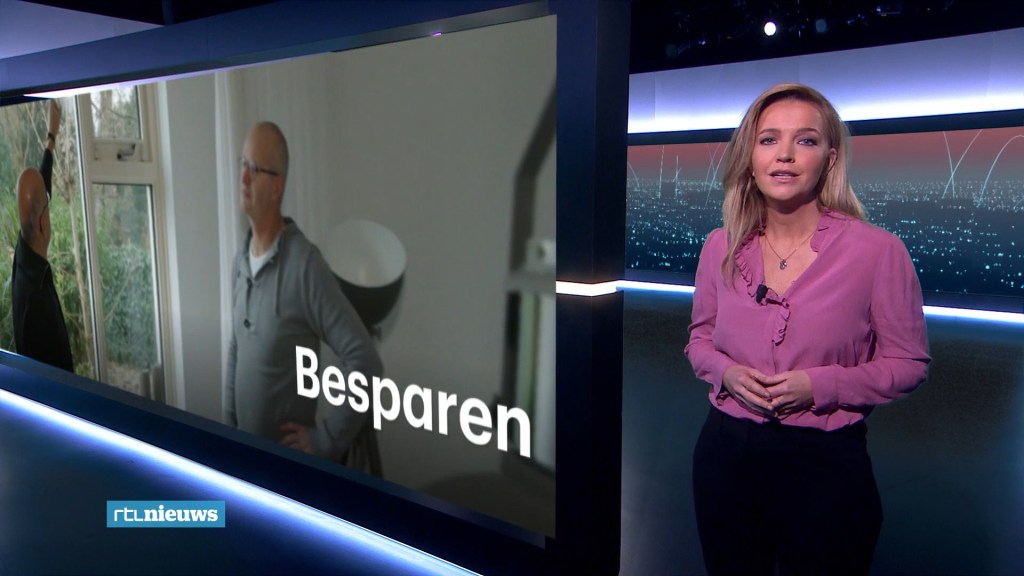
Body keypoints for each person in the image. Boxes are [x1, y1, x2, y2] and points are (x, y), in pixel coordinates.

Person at [685, 83, 930, 575]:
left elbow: (908, 364)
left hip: (826, 467)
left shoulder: (878, 251)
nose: (786, 155)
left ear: (830, 159)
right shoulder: (720, 246)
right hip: (725, 455)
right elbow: (699, 340)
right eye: (769, 139)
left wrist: (820, 386)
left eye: (806, 140)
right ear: (750, 158)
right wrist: (727, 373)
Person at [224, 121, 382, 461]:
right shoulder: (240, 259)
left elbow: (365, 361)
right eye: (242, 163)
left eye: (255, 168)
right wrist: (229, 430)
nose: (244, 177)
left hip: (285, 475)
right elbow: (236, 348)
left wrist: (325, 439)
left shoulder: (305, 265)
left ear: (277, 186)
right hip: (243, 465)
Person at [12, 100, 74, 372]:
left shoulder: (23, 252)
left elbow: (39, 191)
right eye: (47, 208)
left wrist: (51, 136)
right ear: (42, 222)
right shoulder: (39, 305)